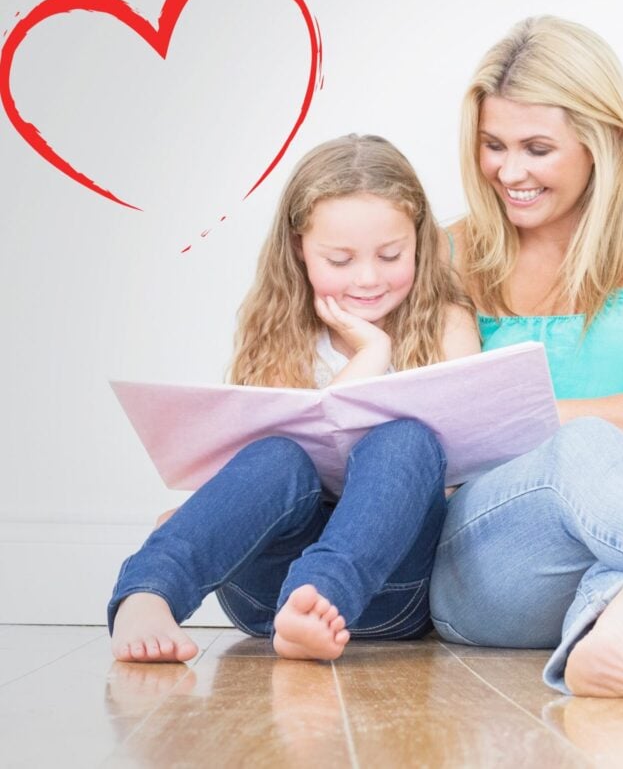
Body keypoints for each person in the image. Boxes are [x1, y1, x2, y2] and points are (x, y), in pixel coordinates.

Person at [108, 134, 480, 664]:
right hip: (263, 592)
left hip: (383, 592)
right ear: (299, 249)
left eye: (391, 255)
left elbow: (453, 480)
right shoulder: (278, 329)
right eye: (341, 259)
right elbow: (256, 479)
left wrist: (377, 350)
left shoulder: (447, 324)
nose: (369, 277)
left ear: (420, 242)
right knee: (277, 455)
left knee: (406, 440)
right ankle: (149, 590)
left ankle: (320, 596)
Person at [429, 16, 623, 698]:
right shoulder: (448, 254)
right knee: (580, 447)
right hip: (485, 560)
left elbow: (500, 420)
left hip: (613, 544)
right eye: (494, 145)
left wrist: (527, 416)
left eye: (537, 148)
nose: (508, 171)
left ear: (601, 144)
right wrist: (570, 423)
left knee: (619, 561)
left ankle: (602, 628)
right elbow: (453, 430)